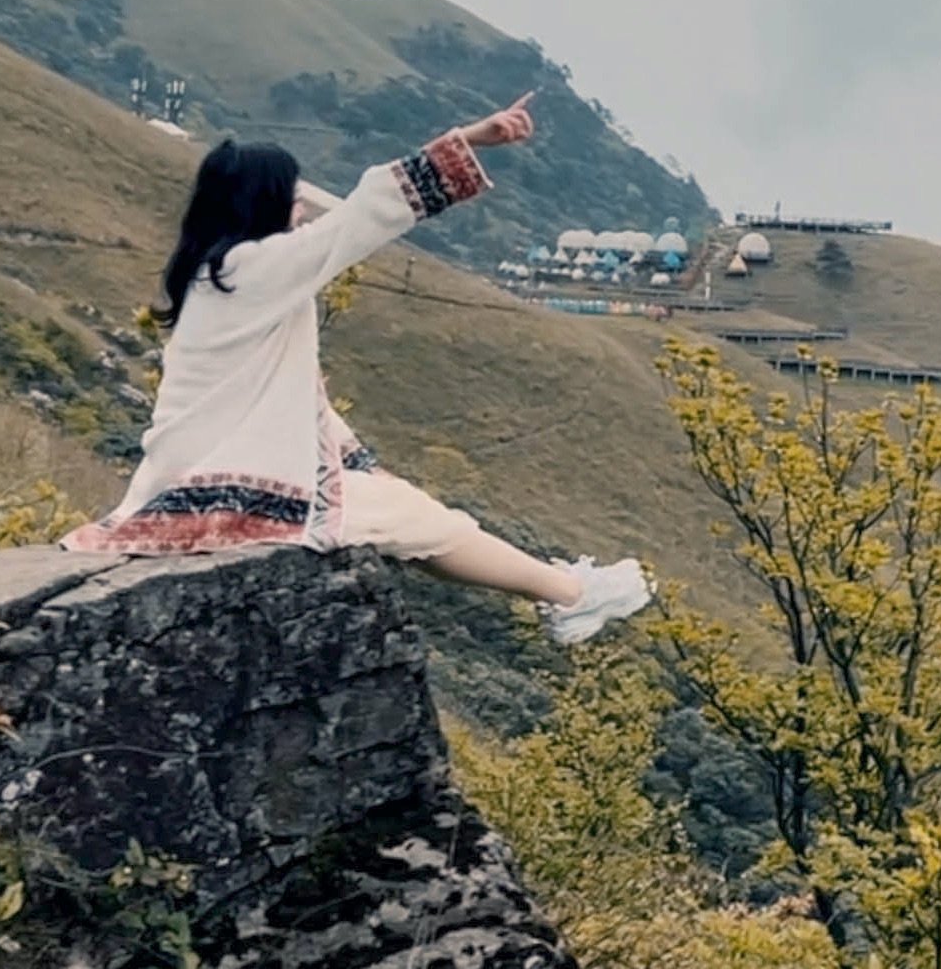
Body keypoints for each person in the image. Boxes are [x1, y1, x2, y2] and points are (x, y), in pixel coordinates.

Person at [65, 94, 654, 645]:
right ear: (264, 201)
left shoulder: (218, 271)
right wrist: (476, 136)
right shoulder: (255, 267)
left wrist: (359, 465)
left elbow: (293, 392)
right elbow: (366, 210)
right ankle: (570, 595)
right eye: (289, 193)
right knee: (420, 520)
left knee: (413, 515)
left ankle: (564, 593)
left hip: (197, 465)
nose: (300, 204)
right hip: (225, 478)